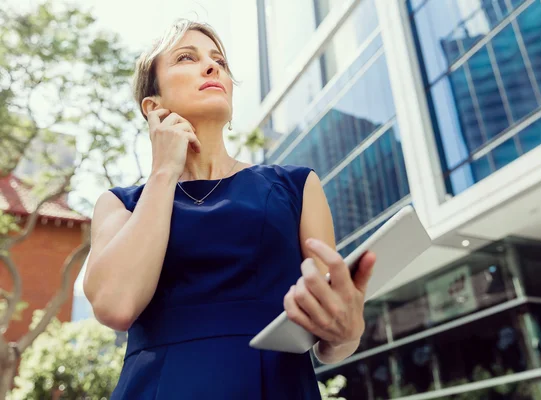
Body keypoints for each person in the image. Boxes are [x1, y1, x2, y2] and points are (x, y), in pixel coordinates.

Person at [83, 19, 376, 399]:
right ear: (153, 107)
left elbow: (326, 328)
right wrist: (164, 172)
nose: (212, 67)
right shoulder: (121, 204)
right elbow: (116, 306)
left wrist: (348, 333)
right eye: (187, 58)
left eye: (218, 59)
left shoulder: (297, 186)